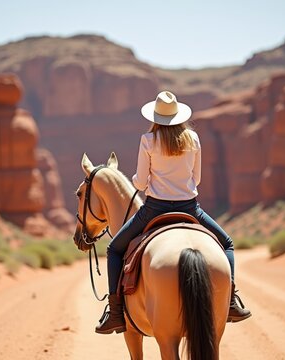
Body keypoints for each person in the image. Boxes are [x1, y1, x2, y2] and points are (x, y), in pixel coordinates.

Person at [95, 90, 252, 335]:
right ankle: (230, 301)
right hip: (189, 207)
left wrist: (141, 180)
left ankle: (115, 313)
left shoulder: (148, 140)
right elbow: (196, 179)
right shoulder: (193, 139)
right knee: (227, 243)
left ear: (156, 116)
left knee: (114, 248)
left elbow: (140, 183)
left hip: (154, 209)